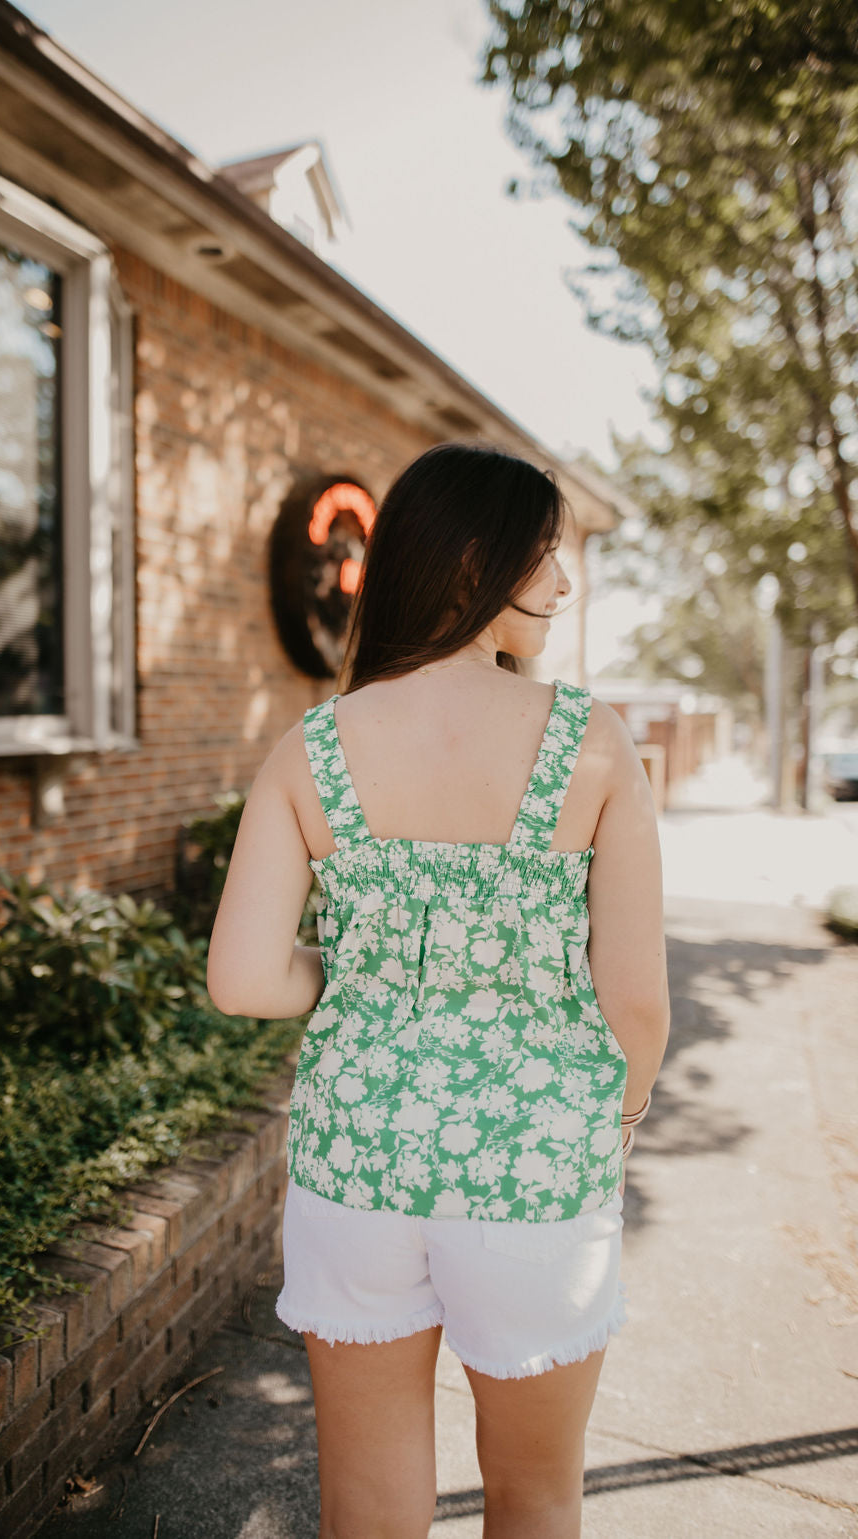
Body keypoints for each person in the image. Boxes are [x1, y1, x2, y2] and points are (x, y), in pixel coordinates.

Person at [207, 441, 670, 1539]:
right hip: (535, 1161)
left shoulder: (311, 749)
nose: (561, 584)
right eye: (542, 556)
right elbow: (634, 999)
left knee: (367, 1509)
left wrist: (369, 974)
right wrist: (623, 1116)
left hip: (355, 1159)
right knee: (535, 1497)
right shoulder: (590, 744)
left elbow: (242, 978)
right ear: (474, 568)